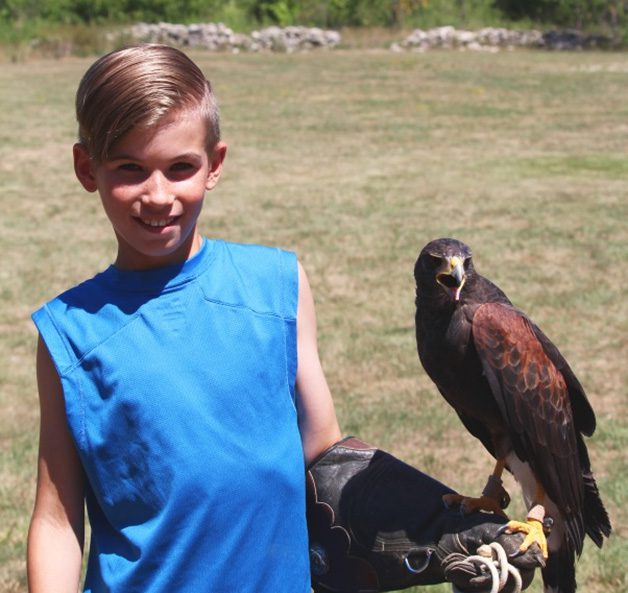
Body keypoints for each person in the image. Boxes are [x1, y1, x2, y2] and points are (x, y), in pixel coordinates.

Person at [28, 44, 541, 593]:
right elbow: (57, 520)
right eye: (130, 169)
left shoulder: (277, 285)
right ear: (87, 168)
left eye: (181, 168)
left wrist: (438, 526)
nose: (158, 195)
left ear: (215, 165)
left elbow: (325, 459)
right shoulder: (71, 331)